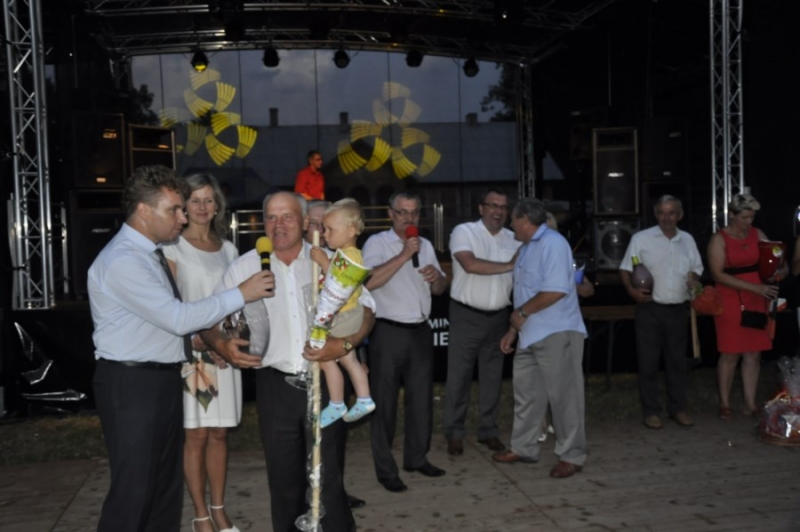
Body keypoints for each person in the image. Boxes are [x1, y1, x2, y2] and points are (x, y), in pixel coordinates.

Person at [88, 165, 273, 532]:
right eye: (174, 209)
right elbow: (176, 318)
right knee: (134, 492)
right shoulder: (124, 260)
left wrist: (214, 341)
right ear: (143, 211)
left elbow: (169, 324)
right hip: (133, 384)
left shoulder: (149, 253)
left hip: (157, 379)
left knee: (163, 491)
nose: (183, 217)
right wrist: (241, 293)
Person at [202, 191, 376, 532]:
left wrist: (344, 344)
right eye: (271, 217)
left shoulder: (330, 259)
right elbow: (210, 319)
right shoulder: (245, 266)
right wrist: (221, 344)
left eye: (287, 217)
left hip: (326, 382)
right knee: (284, 481)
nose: (278, 225)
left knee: (329, 477)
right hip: (274, 385)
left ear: (305, 221)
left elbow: (367, 309)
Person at [161, 174, 240, 532]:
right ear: (183, 205)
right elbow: (169, 303)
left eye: (209, 199)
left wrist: (228, 341)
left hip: (225, 353)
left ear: (217, 205)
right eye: (195, 200)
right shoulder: (172, 247)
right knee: (196, 434)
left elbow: (237, 304)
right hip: (193, 354)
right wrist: (201, 339)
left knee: (220, 433)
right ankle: (200, 515)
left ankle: (219, 509)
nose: (203, 207)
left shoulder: (229, 250)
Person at [493, 198, 588, 480]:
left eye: (513, 219)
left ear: (525, 219)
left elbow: (556, 290)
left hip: (557, 331)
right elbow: (524, 293)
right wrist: (513, 330)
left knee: (565, 398)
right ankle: (523, 447)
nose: (510, 224)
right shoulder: (525, 248)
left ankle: (572, 455)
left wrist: (522, 313)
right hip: (529, 334)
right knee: (527, 395)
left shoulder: (553, 243)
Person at [363, 191, 448, 493]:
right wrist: (403, 254)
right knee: (384, 403)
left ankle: (417, 458)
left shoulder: (425, 244)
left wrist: (437, 277)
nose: (409, 218)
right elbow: (368, 281)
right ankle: (386, 471)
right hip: (389, 331)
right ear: (390, 214)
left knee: (421, 399)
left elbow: (439, 289)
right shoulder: (377, 243)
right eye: (402, 212)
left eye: (414, 213)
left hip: (420, 330)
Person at [443, 188, 519, 456]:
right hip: (467, 314)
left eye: (503, 207)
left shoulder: (514, 239)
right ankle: (454, 432)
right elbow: (470, 264)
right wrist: (510, 265)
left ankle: (488, 431)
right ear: (481, 208)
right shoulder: (464, 232)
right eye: (493, 205)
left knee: (492, 378)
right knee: (458, 377)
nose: (498, 211)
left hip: (499, 316)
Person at [620, 195, 703, 429]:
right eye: (662, 213)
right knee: (648, 363)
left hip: (678, 309)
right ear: (656, 215)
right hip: (650, 309)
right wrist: (631, 291)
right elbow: (625, 269)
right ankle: (651, 411)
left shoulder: (688, 240)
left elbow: (696, 269)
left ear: (680, 215)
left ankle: (678, 409)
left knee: (677, 363)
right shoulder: (641, 239)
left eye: (671, 213)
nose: (666, 218)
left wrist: (694, 279)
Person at [708, 193, 782, 420]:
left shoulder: (757, 234)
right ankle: (724, 402)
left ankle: (750, 403)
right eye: (745, 217)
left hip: (757, 297)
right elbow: (717, 274)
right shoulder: (719, 239)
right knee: (730, 353)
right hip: (730, 298)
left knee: (753, 353)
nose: (749, 222)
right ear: (732, 215)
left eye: (752, 217)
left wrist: (779, 269)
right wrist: (755, 288)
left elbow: (773, 257)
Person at [309, 199, 376, 427]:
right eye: (323, 229)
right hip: (347, 315)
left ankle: (338, 402)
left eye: (330, 229)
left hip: (344, 316)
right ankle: (362, 398)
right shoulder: (346, 253)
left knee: (325, 358)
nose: (325, 234)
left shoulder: (351, 256)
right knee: (348, 360)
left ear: (350, 230)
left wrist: (323, 262)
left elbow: (339, 282)